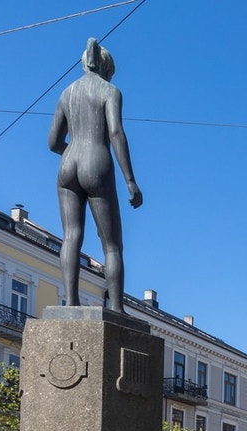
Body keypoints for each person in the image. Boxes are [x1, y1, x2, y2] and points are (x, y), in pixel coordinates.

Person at [50, 38, 142, 313]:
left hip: (67, 164)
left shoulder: (66, 93)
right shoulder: (110, 91)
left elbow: (53, 142)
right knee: (112, 245)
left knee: (71, 235)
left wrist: (73, 152)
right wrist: (130, 180)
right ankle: (116, 308)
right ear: (106, 68)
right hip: (97, 162)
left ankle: (71, 302)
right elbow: (115, 133)